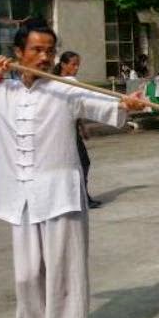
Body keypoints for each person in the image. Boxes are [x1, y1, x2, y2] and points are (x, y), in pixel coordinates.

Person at [0, 20, 146, 318]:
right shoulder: (0, 92)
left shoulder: (67, 89)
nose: (44, 57)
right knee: (27, 274)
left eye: (50, 50)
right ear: (18, 52)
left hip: (59, 193)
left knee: (64, 271)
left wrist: (127, 105)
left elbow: (108, 105)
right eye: (36, 50)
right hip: (19, 194)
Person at [54, 52, 102, 209]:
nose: (76, 68)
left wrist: (82, 127)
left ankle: (82, 196)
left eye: (78, 64)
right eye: (73, 64)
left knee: (83, 163)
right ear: (63, 64)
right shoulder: (55, 84)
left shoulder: (72, 83)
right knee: (76, 164)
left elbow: (75, 107)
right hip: (61, 129)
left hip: (73, 128)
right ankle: (77, 198)